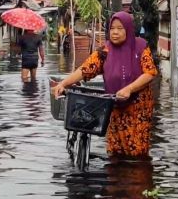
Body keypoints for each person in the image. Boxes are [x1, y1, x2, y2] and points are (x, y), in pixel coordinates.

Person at [54, 11, 158, 159]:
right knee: (115, 150)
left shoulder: (141, 47)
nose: (115, 32)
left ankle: (137, 180)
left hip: (138, 109)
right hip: (115, 105)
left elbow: (150, 73)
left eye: (120, 28)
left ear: (128, 29)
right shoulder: (105, 51)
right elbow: (85, 70)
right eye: (112, 28)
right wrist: (63, 83)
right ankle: (115, 179)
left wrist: (129, 88)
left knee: (137, 152)